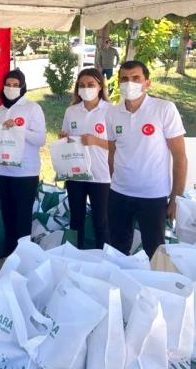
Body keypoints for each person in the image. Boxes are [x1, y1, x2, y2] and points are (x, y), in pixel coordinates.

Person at [106, 60, 187, 258]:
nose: (129, 83)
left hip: (153, 195)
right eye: (124, 79)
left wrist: (176, 198)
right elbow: (112, 152)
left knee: (155, 252)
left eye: (136, 78)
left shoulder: (164, 109)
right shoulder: (112, 112)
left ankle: (153, 288)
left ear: (147, 83)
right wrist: (113, 182)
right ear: (118, 82)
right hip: (119, 193)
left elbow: (179, 157)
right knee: (117, 250)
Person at [0, 69, 46, 257]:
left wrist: (20, 129)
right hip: (3, 170)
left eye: (16, 85)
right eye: (8, 84)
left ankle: (23, 256)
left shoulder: (32, 108)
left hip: (25, 172)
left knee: (23, 216)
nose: (11, 88)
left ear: (22, 87)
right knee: (7, 212)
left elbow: (40, 140)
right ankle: (8, 250)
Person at [59, 68, 112, 249]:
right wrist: (64, 139)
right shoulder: (71, 111)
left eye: (90, 85)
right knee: (76, 220)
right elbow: (66, 136)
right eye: (81, 85)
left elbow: (120, 145)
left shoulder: (111, 111)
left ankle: (104, 261)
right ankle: (76, 257)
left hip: (102, 175)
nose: (86, 88)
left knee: (102, 222)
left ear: (100, 87)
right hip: (76, 174)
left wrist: (95, 141)